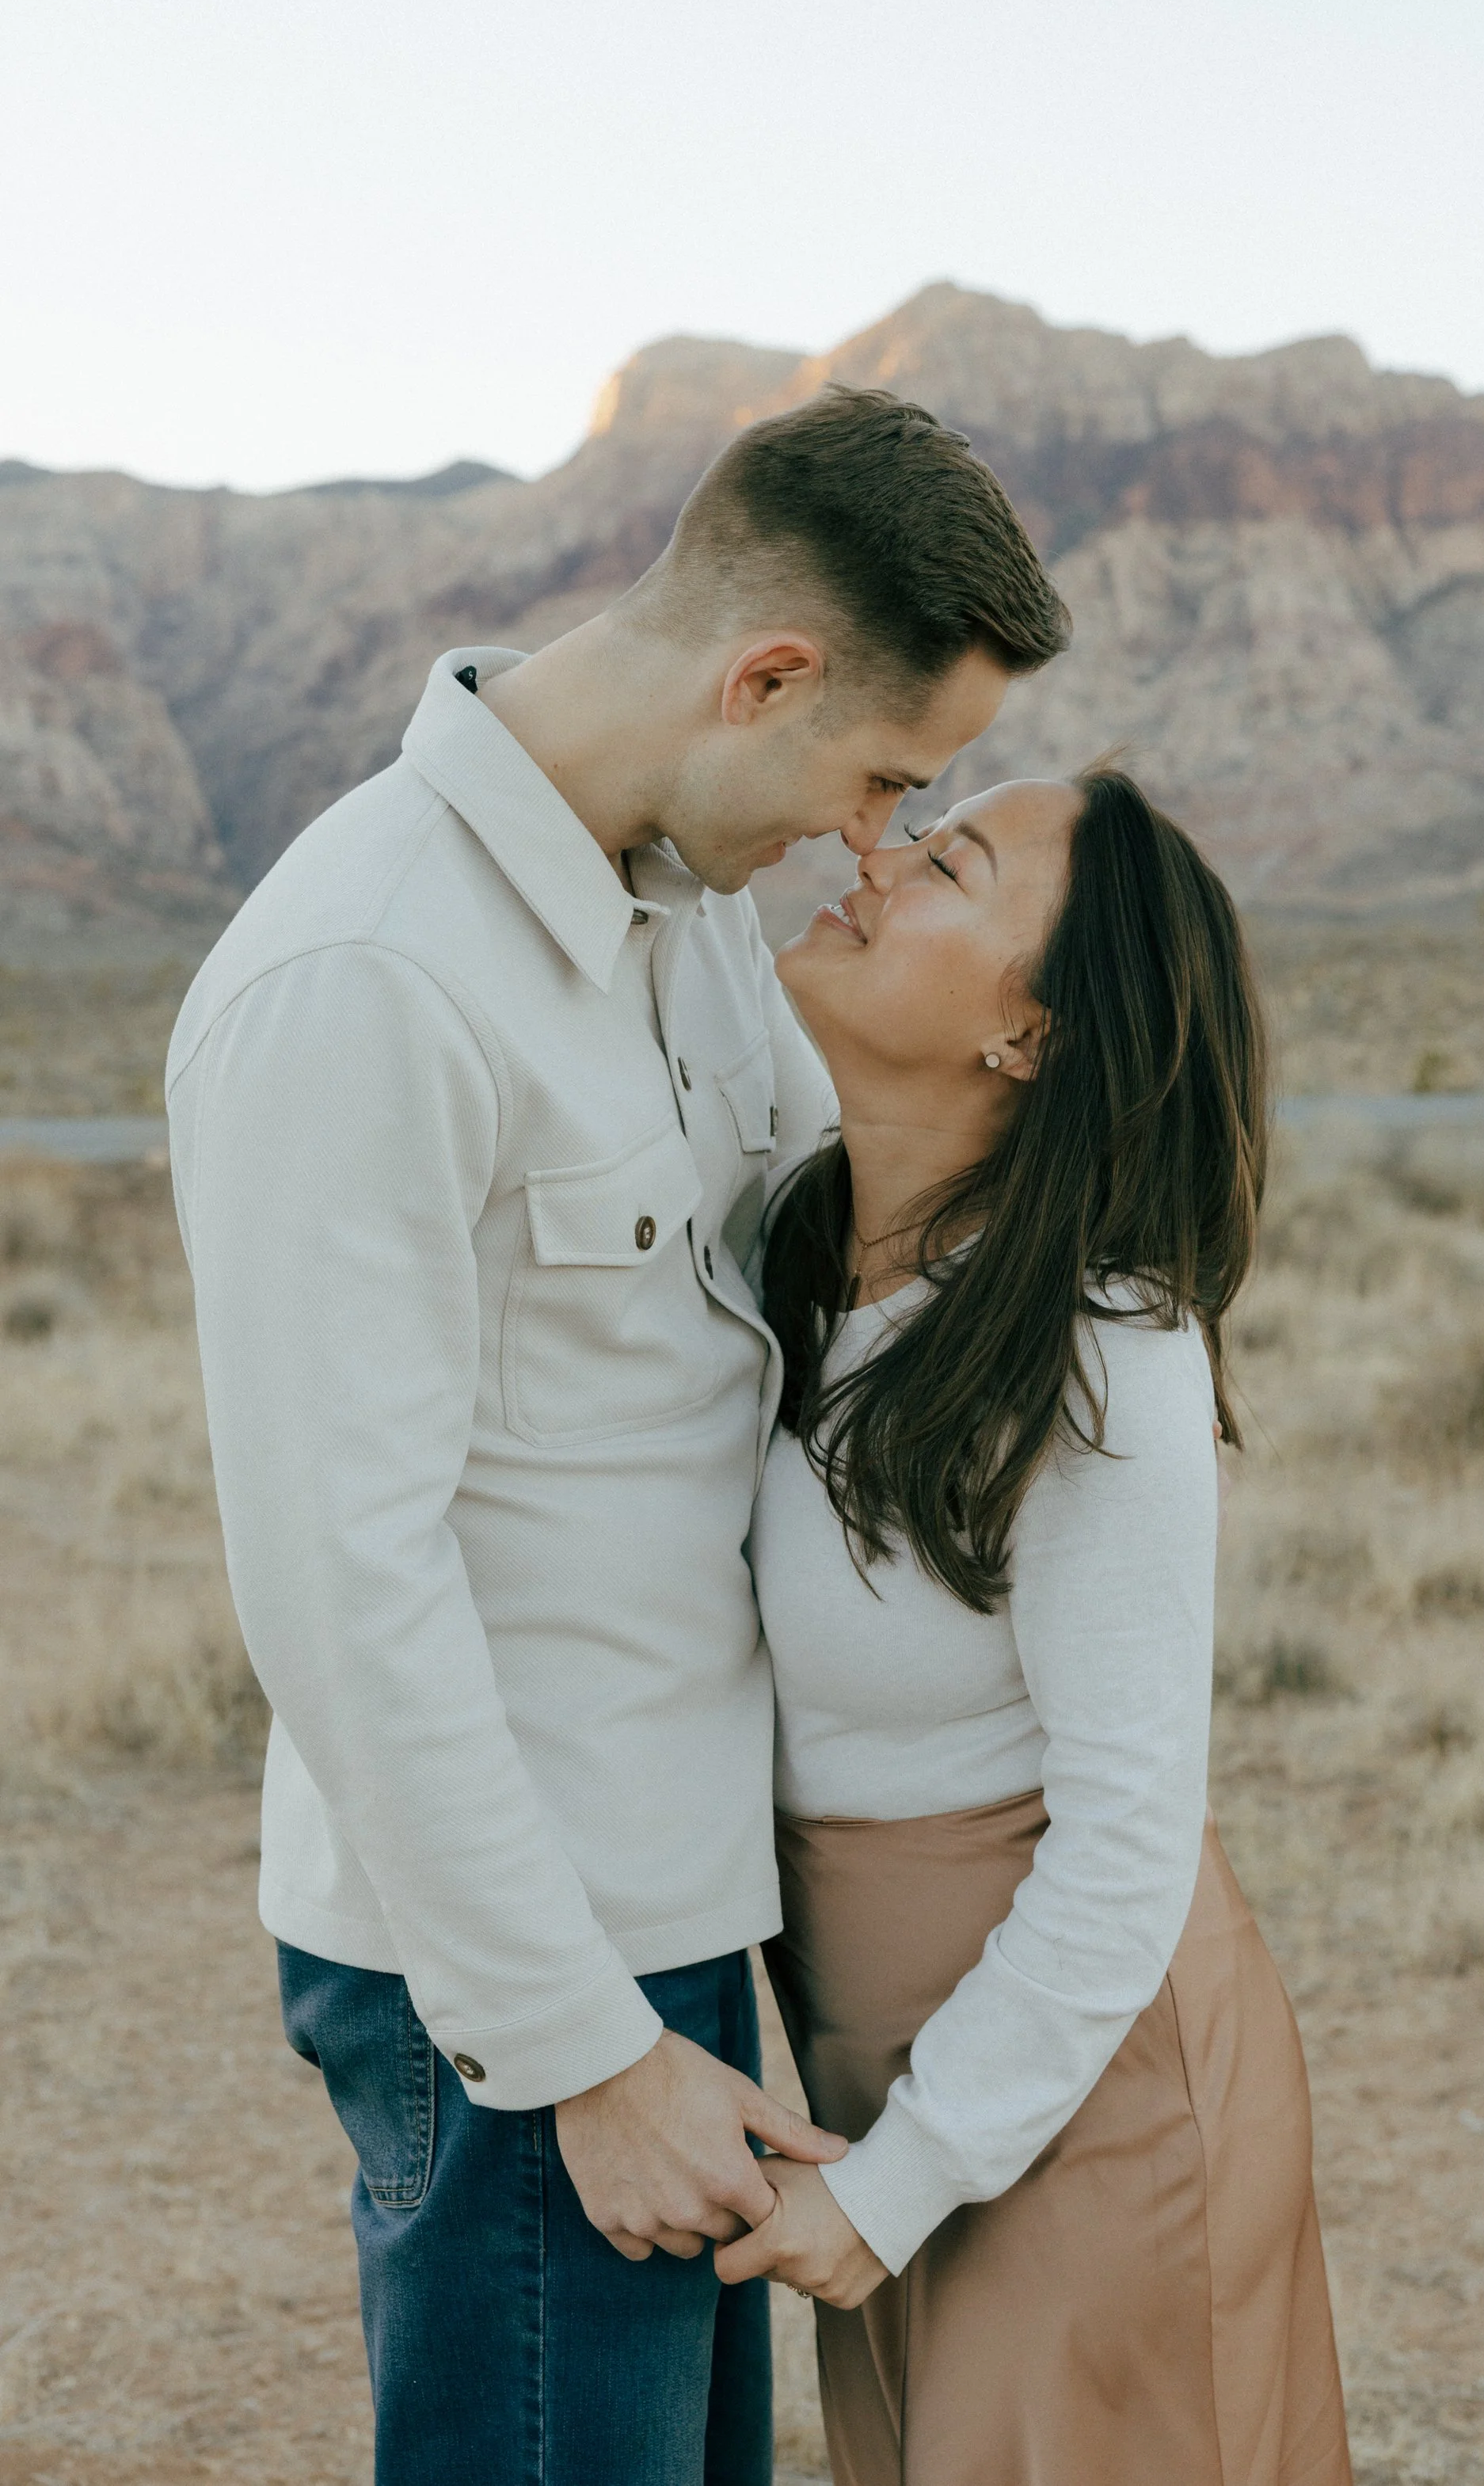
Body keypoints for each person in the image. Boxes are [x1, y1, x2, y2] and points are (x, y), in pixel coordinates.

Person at [166, 387, 1070, 2486]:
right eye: (879, 772)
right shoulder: (367, 974)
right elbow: (339, 1587)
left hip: (664, 1912)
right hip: (511, 1976)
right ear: (761, 676)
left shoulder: (679, 914)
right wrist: (580, 2049)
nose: (871, 836)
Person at [718, 766, 1356, 2484]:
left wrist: (901, 2176)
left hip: (1083, 2092)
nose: (874, 850)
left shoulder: (1097, 1355)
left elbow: (1127, 1840)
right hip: (885, 2077)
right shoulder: (788, 1259)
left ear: (1031, 1034)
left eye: (947, 863)